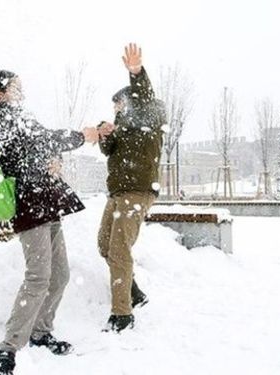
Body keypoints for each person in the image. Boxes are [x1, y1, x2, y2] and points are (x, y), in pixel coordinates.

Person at [0, 70, 100, 375]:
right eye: (15, 88)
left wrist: (55, 160)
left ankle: (40, 332)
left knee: (60, 275)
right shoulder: (0, 116)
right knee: (38, 277)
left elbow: (40, 144)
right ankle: (6, 350)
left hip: (47, 203)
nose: (21, 92)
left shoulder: (17, 115)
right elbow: (44, 139)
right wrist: (82, 136)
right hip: (30, 205)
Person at [97, 43, 166, 333]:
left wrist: (136, 72)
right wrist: (104, 133)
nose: (116, 110)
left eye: (119, 105)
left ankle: (122, 314)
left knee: (119, 250)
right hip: (118, 193)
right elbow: (108, 150)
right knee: (105, 245)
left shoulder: (149, 114)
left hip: (137, 192)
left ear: (130, 101)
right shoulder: (122, 126)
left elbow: (144, 96)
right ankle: (133, 291)